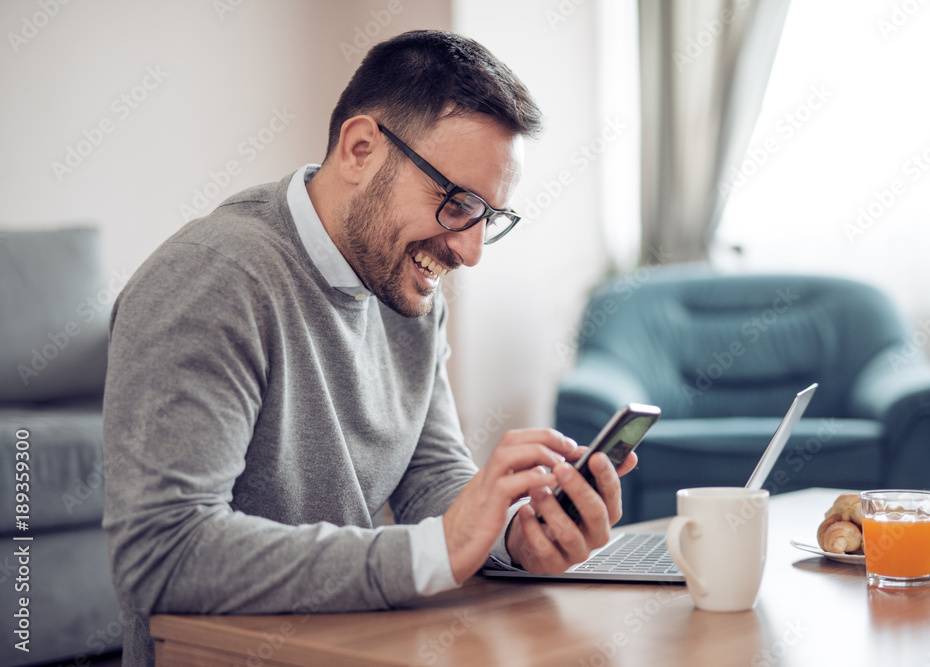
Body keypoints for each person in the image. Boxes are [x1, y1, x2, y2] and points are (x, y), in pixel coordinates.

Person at [102, 29, 637, 664]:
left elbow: (429, 476)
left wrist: (510, 535)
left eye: (488, 219)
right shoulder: (212, 278)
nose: (468, 251)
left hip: (359, 645)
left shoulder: (407, 287)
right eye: (458, 204)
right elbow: (162, 554)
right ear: (360, 150)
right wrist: (433, 552)